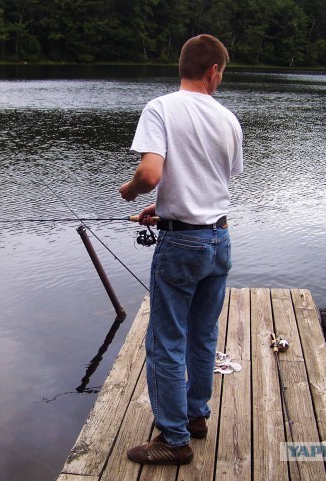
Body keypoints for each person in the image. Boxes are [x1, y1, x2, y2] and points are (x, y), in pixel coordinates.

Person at [118, 34, 243, 465]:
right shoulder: (228, 119)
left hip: (183, 245)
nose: (220, 79)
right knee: (204, 335)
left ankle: (173, 440)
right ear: (213, 71)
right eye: (221, 72)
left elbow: (151, 173)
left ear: (183, 67)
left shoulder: (161, 108)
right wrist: (167, 207)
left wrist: (131, 191)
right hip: (219, 238)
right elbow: (215, 181)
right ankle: (195, 416)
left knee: (166, 341)